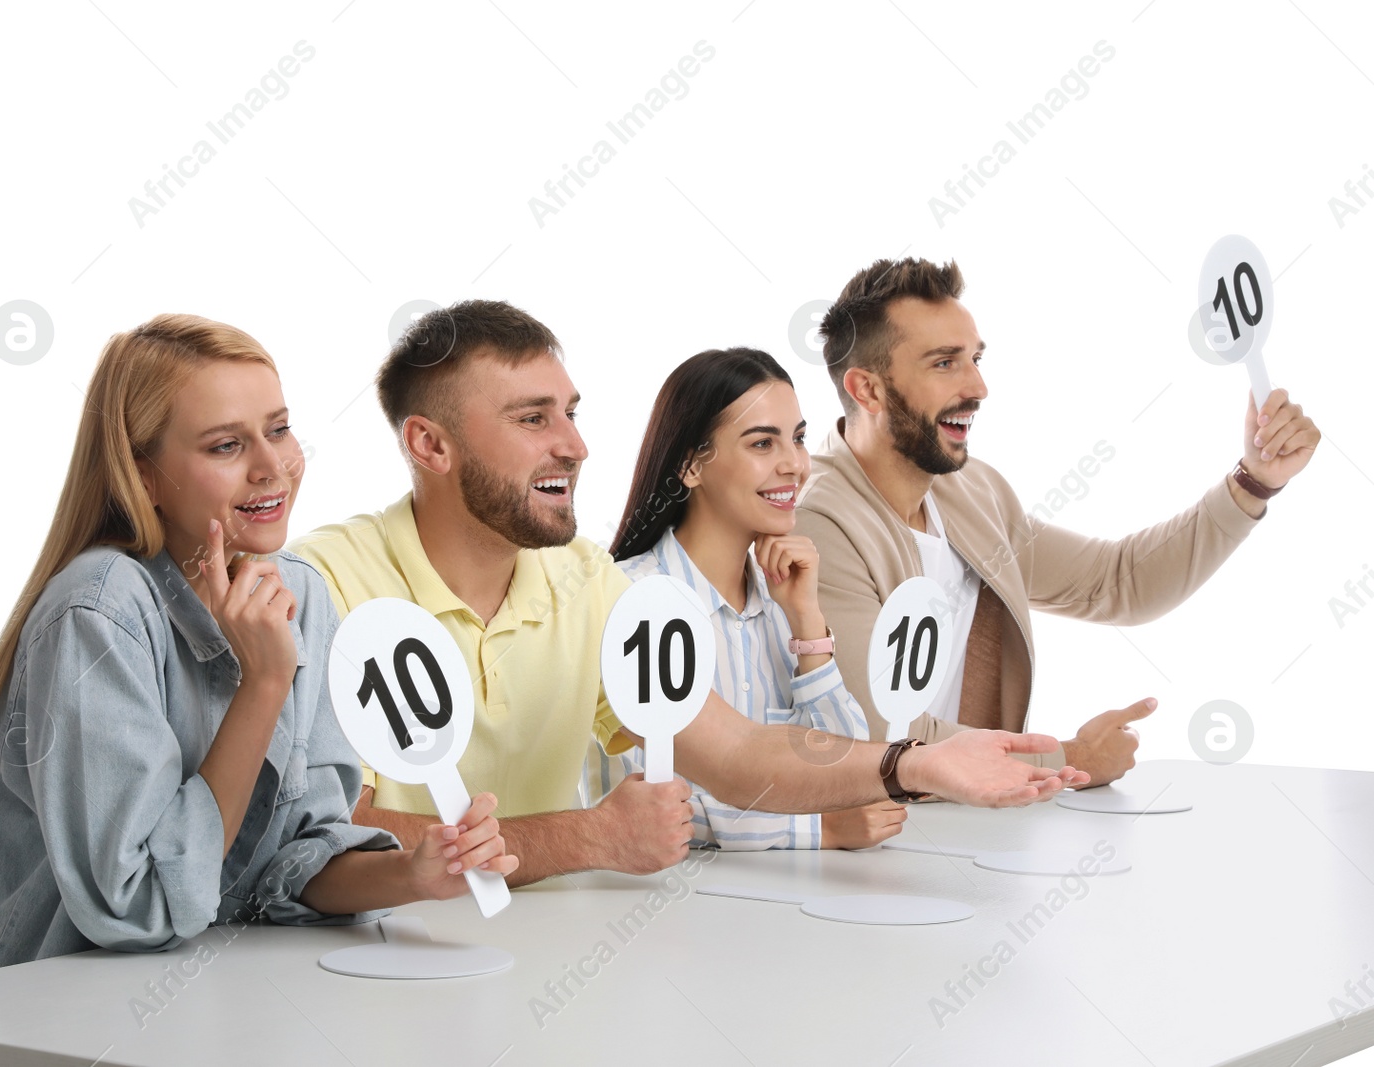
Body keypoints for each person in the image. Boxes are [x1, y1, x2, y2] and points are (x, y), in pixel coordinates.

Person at [0, 315, 513, 1067]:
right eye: (226, 445)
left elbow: (290, 863)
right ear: (144, 474)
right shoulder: (100, 608)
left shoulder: (299, 593)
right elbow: (141, 905)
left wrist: (409, 872)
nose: (273, 466)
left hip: (161, 1022)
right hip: (7, 1031)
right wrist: (265, 683)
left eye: (279, 429)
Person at [291, 299, 1093, 888]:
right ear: (429, 444)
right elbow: (327, 830)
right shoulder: (326, 580)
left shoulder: (587, 583)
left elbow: (741, 753)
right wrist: (587, 838)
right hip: (369, 966)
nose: (574, 445)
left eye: (570, 413)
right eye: (533, 418)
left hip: (541, 960)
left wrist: (916, 762)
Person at [796, 257, 1321, 784]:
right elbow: (877, 732)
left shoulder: (972, 492)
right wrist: (1068, 759)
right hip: (864, 843)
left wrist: (1254, 481)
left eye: (975, 358)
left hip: (971, 826)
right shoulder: (819, 521)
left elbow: (1117, 582)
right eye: (944, 363)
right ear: (868, 390)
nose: (979, 387)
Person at [585, 346, 904, 851]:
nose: (794, 465)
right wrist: (816, 829)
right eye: (762, 444)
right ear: (691, 465)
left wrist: (807, 622)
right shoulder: (628, 600)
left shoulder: (782, 602)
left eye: (797, 439)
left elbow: (846, 766)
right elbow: (651, 796)